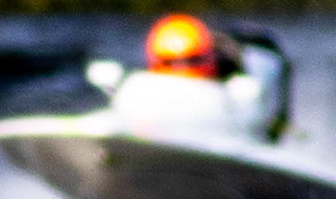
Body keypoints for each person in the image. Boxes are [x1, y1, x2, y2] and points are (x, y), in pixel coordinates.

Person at [94, 14, 293, 143]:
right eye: (171, 62)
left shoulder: (233, 81)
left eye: (190, 61)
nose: (180, 68)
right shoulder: (140, 82)